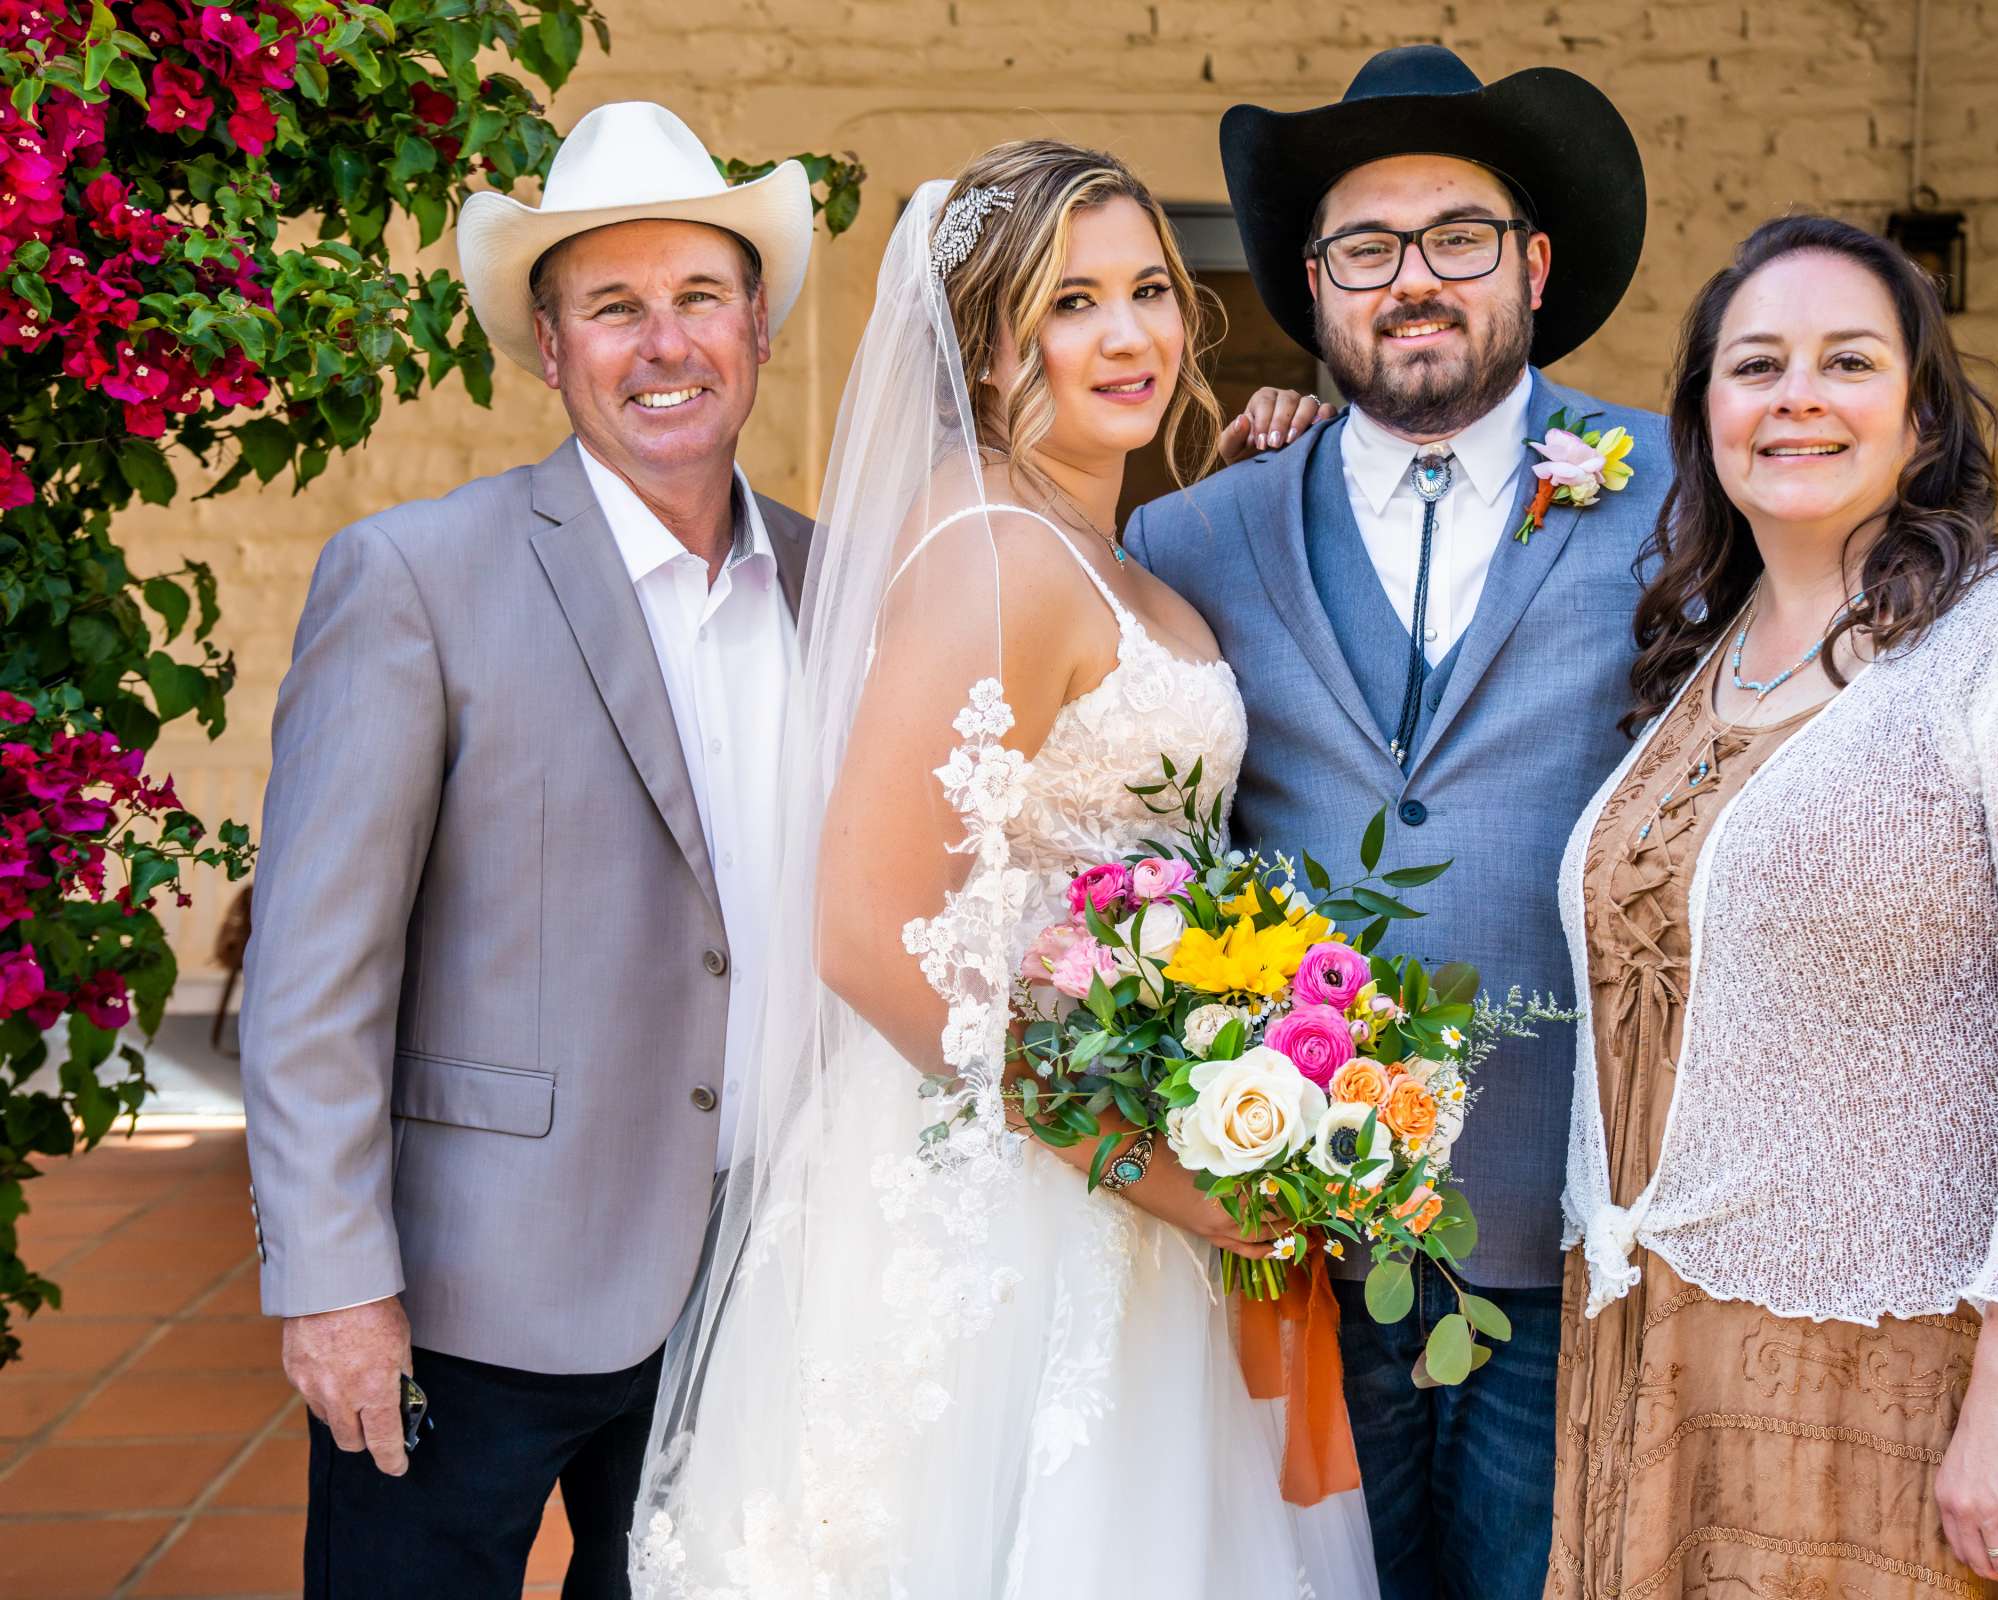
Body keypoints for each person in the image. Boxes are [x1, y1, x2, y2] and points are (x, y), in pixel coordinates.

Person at [627, 141, 1377, 1599]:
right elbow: (866, 933)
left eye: (1151, 289)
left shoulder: (1100, 543)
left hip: (1117, 1165)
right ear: (987, 338)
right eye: (1071, 301)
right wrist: (1149, 1165)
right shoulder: (996, 551)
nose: (1130, 334)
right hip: (1019, 1197)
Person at [1546, 214, 1998, 1600]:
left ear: (1922, 418)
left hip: (1950, 1353)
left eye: (1847, 360)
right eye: (1756, 365)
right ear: (1707, 420)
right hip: (1684, 1334)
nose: (1797, 393)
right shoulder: (1701, 662)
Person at [240, 101, 815, 1597]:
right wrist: (333, 1284)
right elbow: (315, 974)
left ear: (757, 325)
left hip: (760, 1279)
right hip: (468, 1299)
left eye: (698, 298)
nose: (664, 343)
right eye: (612, 308)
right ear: (551, 350)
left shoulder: (838, 576)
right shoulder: (416, 576)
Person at [1128, 46, 1665, 1600]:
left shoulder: (1677, 493)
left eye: (1458, 238)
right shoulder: (1195, 528)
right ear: (1313, 285)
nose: (1412, 280)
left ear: (1534, 266)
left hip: (1574, 1215)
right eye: (1367, 249)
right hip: (1292, 1219)